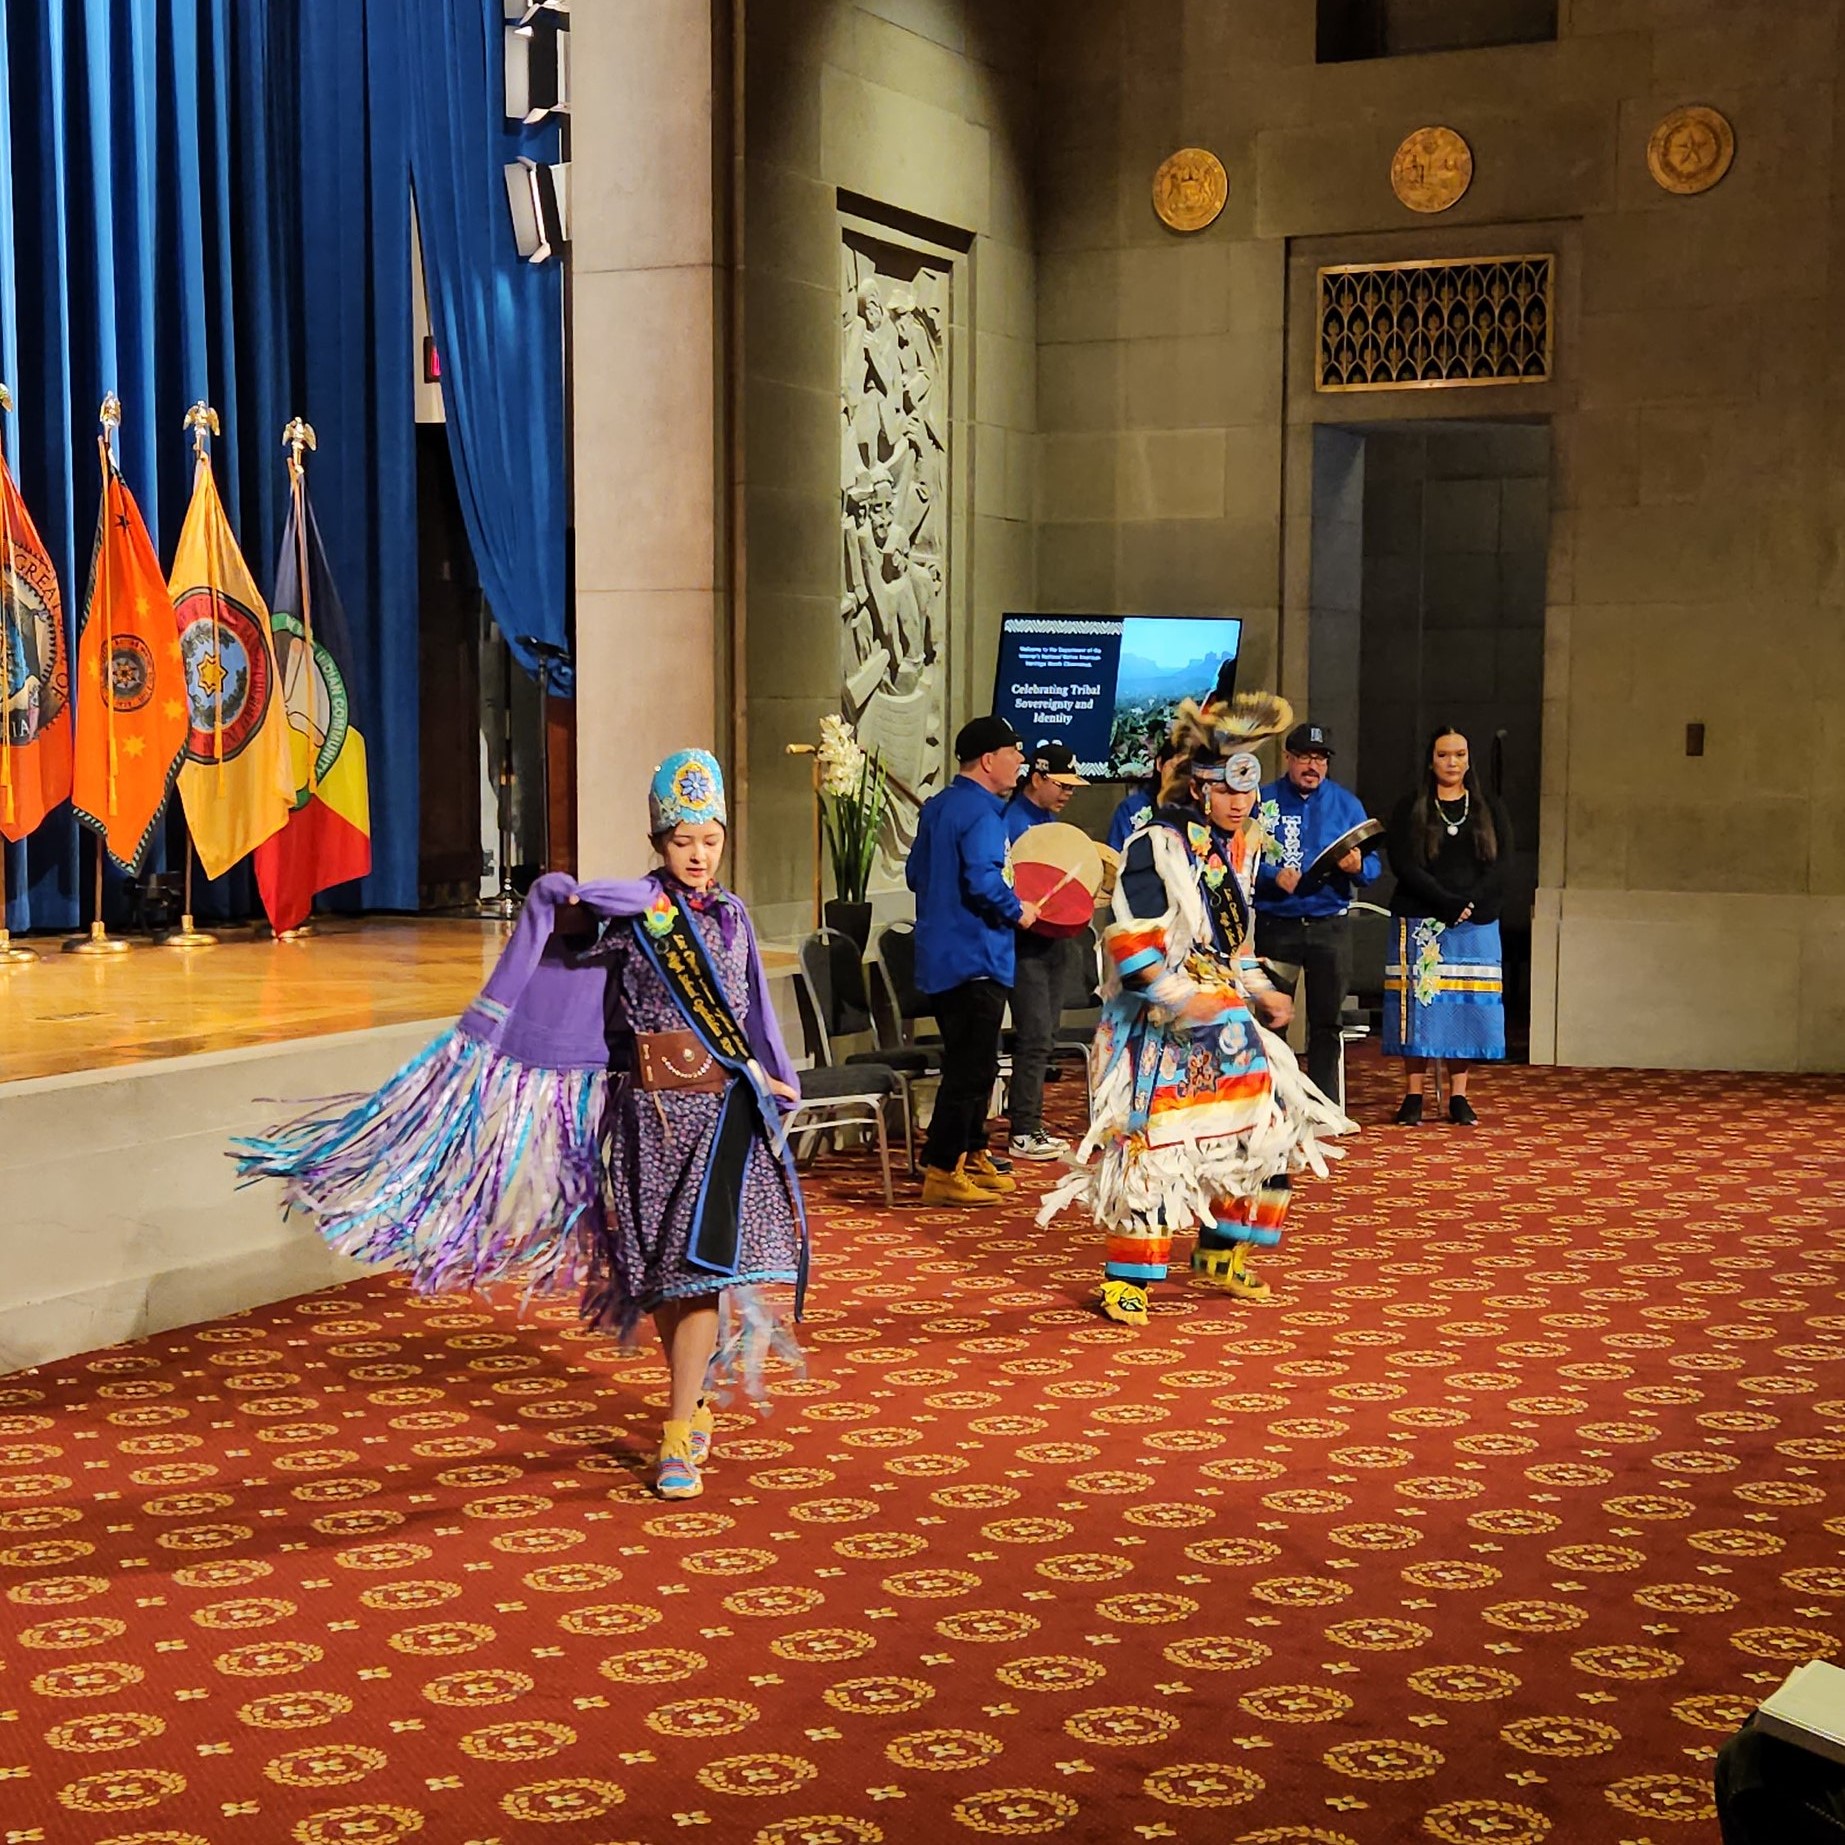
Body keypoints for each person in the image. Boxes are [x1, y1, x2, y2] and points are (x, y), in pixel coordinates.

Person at [235, 749, 808, 1506]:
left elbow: (747, 1016)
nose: (698, 855)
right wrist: (552, 899)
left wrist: (767, 1072)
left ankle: (676, 1437)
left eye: (709, 839)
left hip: (721, 1117)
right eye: (682, 840)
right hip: (648, 1118)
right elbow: (559, 940)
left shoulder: (732, 920)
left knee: (701, 1272)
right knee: (661, 1278)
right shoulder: (634, 916)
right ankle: (693, 1399)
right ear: (657, 839)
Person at [1041, 694, 1352, 1327]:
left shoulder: (1233, 853)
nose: (1242, 802)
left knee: (1268, 1126)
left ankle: (1220, 1250)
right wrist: (1182, 998)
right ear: (1198, 789)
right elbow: (1130, 942)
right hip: (1156, 1031)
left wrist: (1259, 987)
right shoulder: (1153, 848)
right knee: (1153, 1149)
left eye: (1247, 790)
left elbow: (1233, 945)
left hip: (1224, 1021)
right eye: (1227, 789)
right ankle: (1127, 1279)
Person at [905, 715, 1041, 1205]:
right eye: (1015, 752)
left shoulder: (939, 806)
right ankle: (942, 1167)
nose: (1021, 762)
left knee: (973, 1062)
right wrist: (1018, 910)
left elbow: (914, 874)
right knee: (971, 1069)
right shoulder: (984, 814)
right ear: (989, 760)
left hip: (940, 957)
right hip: (977, 957)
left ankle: (971, 1149)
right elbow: (986, 882)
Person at [1383, 727, 1512, 1127]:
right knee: (1421, 1006)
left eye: (1459, 754)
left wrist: (1470, 904)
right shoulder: (1411, 807)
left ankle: (1459, 1097)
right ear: (1430, 760)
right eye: (1443, 755)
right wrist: (1446, 901)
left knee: (1465, 1006)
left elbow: (1503, 862)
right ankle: (1413, 1096)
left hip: (1475, 922)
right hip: (1423, 917)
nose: (1452, 762)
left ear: (1468, 759)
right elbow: (1404, 863)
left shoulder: (1488, 806)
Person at [1253, 721, 1379, 1101]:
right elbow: (1236, 863)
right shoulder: (1261, 801)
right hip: (1278, 925)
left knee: (1327, 1022)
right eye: (1305, 757)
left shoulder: (1346, 804)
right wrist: (1273, 876)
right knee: (1272, 1019)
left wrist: (1358, 867)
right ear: (1287, 758)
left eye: (1320, 759)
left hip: (1330, 926)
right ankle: (1271, 1104)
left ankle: (1325, 1104)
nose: (1313, 766)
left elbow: (1373, 869)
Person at [1005, 739, 1087, 1160]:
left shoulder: (1048, 824)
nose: (1068, 793)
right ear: (1036, 778)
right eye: (1062, 784)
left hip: (1055, 940)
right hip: (1024, 945)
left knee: (1046, 1035)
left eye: (1073, 786)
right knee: (1034, 1036)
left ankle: (1028, 1121)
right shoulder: (1014, 823)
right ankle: (1023, 1128)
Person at [1107, 737, 1179, 852]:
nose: (1180, 777)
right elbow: (1114, 858)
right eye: (1176, 768)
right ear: (1159, 764)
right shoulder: (1131, 809)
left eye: (1187, 770)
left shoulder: (1200, 810)